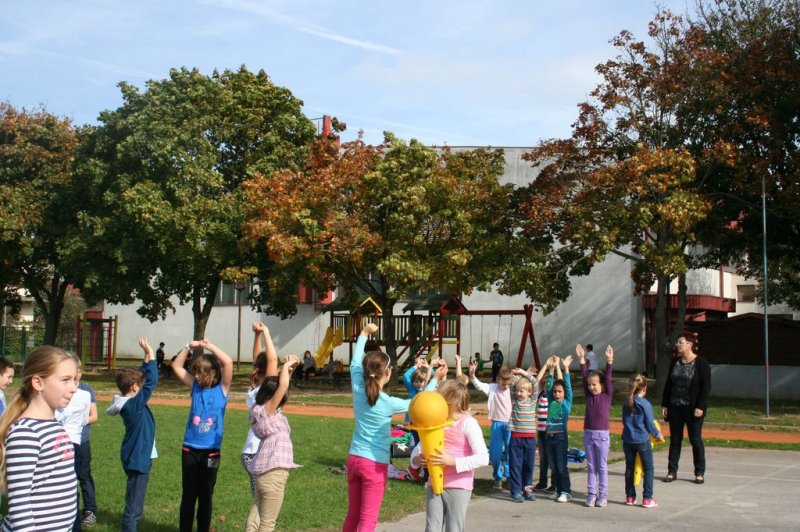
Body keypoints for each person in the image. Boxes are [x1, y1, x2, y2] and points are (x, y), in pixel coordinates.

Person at [342, 323, 444, 532]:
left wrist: (363, 333)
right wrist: (435, 380)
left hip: (354, 459)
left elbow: (354, 363)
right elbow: (419, 401)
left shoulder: (357, 388)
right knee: (368, 519)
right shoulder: (387, 402)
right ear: (387, 373)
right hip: (374, 465)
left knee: (353, 514)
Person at [0, 346, 79, 531]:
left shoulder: (54, 424)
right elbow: (19, 503)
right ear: (38, 383)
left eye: (75, 380)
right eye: (65, 380)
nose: (74, 388)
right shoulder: (26, 433)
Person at [409, 379, 488, 531]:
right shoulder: (435, 421)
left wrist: (452, 461)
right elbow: (418, 449)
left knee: (454, 528)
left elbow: (483, 457)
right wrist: (417, 460)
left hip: (459, 485)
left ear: (450, 402)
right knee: (432, 528)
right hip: (434, 482)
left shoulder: (468, 423)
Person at [172, 339, 233, 532]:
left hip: (211, 452)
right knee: (188, 494)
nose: (196, 376)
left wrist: (209, 346)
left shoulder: (222, 389)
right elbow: (176, 366)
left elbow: (228, 362)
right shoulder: (195, 387)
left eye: (201, 372)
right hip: (189, 449)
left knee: (206, 495)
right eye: (195, 372)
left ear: (213, 372)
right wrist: (189, 347)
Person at [245, 354, 302, 532]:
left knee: (255, 517)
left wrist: (289, 371)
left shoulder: (261, 410)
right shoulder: (268, 411)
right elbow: (282, 386)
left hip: (262, 473)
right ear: (272, 396)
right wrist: (285, 365)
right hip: (274, 474)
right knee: (267, 523)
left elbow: (282, 386)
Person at [107, 337, 159, 532]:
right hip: (137, 460)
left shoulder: (129, 401)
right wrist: (152, 354)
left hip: (137, 456)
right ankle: (129, 528)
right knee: (134, 507)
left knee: (135, 501)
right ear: (134, 388)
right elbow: (151, 381)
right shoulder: (133, 405)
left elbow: (143, 378)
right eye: (139, 385)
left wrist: (145, 358)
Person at [661, 332, 711, 484]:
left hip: (693, 408)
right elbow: (668, 384)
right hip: (675, 406)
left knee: (695, 439)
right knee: (675, 440)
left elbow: (706, 386)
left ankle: (699, 472)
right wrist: (665, 404)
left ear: (689, 344)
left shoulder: (701, 363)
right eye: (678, 343)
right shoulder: (675, 362)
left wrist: (700, 406)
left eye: (680, 342)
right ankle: (672, 471)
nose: (678, 345)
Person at [242, 321, 278, 500]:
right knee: (262, 502)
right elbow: (271, 360)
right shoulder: (267, 389)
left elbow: (263, 361)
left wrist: (256, 335)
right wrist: (266, 332)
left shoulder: (255, 387)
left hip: (251, 451)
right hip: (258, 452)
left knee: (259, 500)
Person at [55, 361, 92, 531]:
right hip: (74, 441)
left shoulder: (82, 394)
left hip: (65, 443)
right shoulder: (84, 395)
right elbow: (85, 420)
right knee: (71, 485)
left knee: (65, 485)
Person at [577, 343, 614, 507]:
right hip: (589, 434)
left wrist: (609, 361)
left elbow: (607, 377)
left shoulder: (607, 395)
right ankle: (591, 494)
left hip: (602, 436)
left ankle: (602, 495)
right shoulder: (588, 395)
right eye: (590, 385)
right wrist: (581, 359)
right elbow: (585, 377)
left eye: (595, 385)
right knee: (591, 467)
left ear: (602, 385)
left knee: (602, 467)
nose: (592, 387)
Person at [469, 360, 512, 489]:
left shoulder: (513, 389)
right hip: (497, 424)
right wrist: (472, 374)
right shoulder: (492, 388)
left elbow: (529, 388)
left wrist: (527, 374)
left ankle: (509, 477)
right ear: (498, 379)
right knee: (495, 454)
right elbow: (478, 384)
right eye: (504, 383)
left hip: (511, 425)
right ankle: (497, 477)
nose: (506, 386)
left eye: (508, 383)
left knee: (510, 452)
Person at [623, 374, 664, 508]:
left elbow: (624, 421)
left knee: (630, 467)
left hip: (628, 439)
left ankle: (630, 497)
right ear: (644, 388)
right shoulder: (645, 404)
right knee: (648, 467)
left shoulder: (626, 402)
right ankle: (647, 498)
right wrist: (658, 434)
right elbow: (650, 423)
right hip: (642, 440)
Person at [544, 354, 573, 502]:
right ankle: (557, 489)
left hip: (561, 437)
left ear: (564, 394)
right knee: (554, 467)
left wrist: (565, 368)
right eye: (555, 392)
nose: (556, 394)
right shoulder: (551, 401)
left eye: (559, 392)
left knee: (561, 466)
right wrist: (551, 370)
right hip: (549, 438)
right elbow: (549, 387)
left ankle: (566, 491)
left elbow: (567, 385)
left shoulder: (566, 403)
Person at [507, 366, 538, 502]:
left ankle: (527, 489)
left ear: (529, 392)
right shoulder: (514, 401)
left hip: (530, 438)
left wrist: (524, 373)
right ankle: (516, 490)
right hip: (516, 437)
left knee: (529, 465)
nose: (519, 393)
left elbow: (535, 383)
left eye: (522, 391)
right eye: (518, 391)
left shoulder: (532, 401)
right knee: (516, 465)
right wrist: (516, 375)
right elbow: (512, 384)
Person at [77, 372, 99, 528]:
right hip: (61, 442)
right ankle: (71, 511)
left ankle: (90, 511)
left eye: (78, 371)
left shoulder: (86, 389)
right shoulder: (60, 388)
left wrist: (75, 421)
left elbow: (94, 415)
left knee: (84, 476)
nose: (76, 374)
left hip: (81, 441)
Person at [532, 367, 554, 494]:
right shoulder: (540, 394)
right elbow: (536, 380)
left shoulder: (553, 398)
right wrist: (546, 365)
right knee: (543, 459)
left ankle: (554, 483)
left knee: (551, 459)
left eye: (548, 384)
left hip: (551, 432)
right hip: (541, 431)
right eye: (544, 384)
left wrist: (553, 368)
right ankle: (542, 482)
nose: (546, 386)